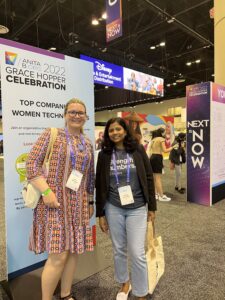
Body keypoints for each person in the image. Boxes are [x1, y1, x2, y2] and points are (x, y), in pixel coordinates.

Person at [26, 98, 95, 300]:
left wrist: (90, 201)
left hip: (78, 203)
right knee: (58, 255)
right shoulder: (51, 134)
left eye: (80, 113)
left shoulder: (87, 143)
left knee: (73, 252)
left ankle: (66, 295)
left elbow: (90, 176)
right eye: (72, 112)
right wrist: (46, 192)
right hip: (54, 203)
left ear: (86, 117)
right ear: (65, 115)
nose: (76, 116)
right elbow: (31, 165)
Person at [96, 117, 156, 300]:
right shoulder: (104, 154)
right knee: (119, 249)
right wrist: (101, 213)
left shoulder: (137, 149)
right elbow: (99, 183)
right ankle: (124, 283)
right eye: (111, 130)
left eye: (118, 129)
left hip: (137, 207)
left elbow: (148, 176)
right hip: (113, 207)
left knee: (137, 252)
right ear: (107, 133)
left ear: (125, 131)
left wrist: (152, 207)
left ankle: (140, 292)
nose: (114, 133)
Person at [149, 127, 176, 202]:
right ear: (162, 133)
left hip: (152, 157)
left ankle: (156, 194)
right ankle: (161, 196)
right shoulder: (161, 139)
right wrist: (173, 147)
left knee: (154, 178)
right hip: (157, 157)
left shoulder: (153, 139)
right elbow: (165, 150)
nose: (166, 133)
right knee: (158, 178)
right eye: (165, 132)